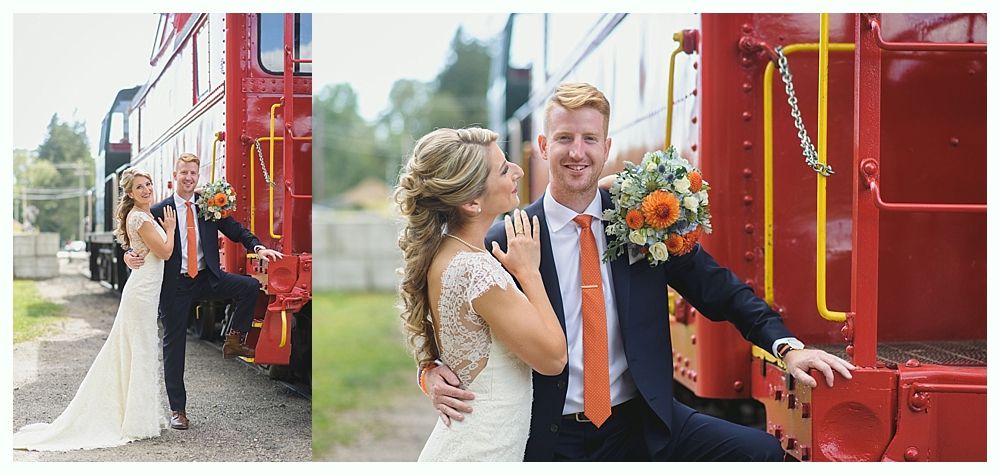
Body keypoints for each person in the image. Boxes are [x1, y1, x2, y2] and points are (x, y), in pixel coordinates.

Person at [424, 82, 856, 461]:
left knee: (762, 453)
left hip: (642, 422)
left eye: (590, 139)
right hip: (553, 435)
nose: (578, 152)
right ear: (542, 146)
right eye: (565, 138)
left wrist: (787, 347)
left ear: (607, 148)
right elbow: (456, 309)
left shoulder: (644, 220)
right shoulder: (507, 237)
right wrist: (428, 369)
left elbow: (719, 290)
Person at [394, 127, 567, 461]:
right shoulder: (478, 272)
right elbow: (554, 359)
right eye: (503, 169)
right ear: (471, 202)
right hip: (482, 451)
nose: (518, 170)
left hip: (472, 443)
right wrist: (529, 272)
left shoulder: (444, 253)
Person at [14, 169, 176, 451]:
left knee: (138, 349)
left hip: (145, 290)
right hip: (141, 293)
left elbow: (142, 250)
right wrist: (171, 230)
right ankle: (135, 419)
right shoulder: (139, 217)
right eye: (140, 187)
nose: (147, 189)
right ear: (130, 193)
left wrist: (130, 255)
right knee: (137, 349)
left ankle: (139, 415)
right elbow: (164, 252)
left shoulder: (144, 215)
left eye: (148, 184)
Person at [124, 152, 283, 431]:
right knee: (174, 347)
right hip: (176, 285)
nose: (188, 178)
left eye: (193, 174)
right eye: (183, 173)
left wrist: (257, 247)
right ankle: (178, 411)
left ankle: (234, 340)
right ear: (175, 176)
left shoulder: (208, 205)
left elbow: (234, 229)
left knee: (249, 286)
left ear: (199, 177)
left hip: (208, 277)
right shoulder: (160, 210)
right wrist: (128, 253)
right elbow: (136, 237)